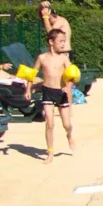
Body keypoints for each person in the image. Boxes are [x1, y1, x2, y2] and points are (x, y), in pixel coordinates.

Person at [25, 29, 75, 164]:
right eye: (61, 41)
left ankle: (69, 135)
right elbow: (31, 74)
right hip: (48, 92)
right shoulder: (42, 58)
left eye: (64, 41)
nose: (64, 44)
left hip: (61, 92)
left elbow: (72, 74)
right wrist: (28, 89)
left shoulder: (64, 58)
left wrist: (68, 86)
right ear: (51, 42)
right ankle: (50, 152)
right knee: (50, 124)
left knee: (67, 124)